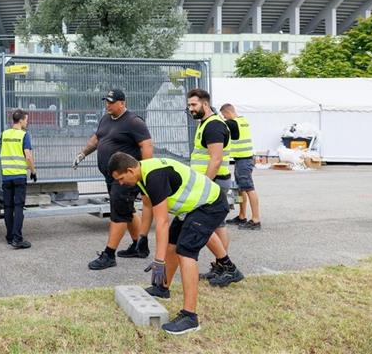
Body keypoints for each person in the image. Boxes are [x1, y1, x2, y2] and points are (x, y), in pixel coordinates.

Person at [109, 152, 243, 335]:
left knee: (185, 251)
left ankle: (190, 317)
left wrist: (158, 261)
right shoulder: (142, 174)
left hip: (210, 204)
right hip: (192, 207)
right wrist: (142, 237)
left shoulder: (154, 177)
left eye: (121, 178)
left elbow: (162, 222)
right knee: (172, 243)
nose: (121, 183)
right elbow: (148, 206)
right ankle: (162, 288)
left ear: (131, 170)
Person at [74, 89, 153, 270]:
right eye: (106, 101)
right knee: (127, 210)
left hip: (126, 177)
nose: (107, 105)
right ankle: (139, 246)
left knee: (118, 213)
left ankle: (109, 255)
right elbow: (97, 138)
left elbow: (146, 146)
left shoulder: (134, 122)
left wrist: (147, 173)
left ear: (122, 103)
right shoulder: (106, 118)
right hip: (112, 176)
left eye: (111, 102)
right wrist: (83, 153)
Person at [186, 88, 241, 285]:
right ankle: (221, 266)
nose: (190, 108)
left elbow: (215, 159)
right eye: (189, 105)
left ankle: (226, 267)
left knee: (204, 225)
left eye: (194, 105)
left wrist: (204, 185)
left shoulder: (213, 127)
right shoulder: (206, 124)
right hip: (213, 182)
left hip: (213, 183)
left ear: (205, 104)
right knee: (218, 224)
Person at [220, 103, 261, 230]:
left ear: (228, 112)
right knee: (241, 188)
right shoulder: (243, 120)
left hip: (244, 161)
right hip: (243, 160)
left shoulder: (232, 123)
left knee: (248, 188)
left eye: (224, 115)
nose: (225, 118)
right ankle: (242, 216)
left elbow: (218, 123)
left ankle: (256, 220)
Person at [0, 109, 37, 249]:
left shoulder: (4, 134)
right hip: (19, 176)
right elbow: (28, 156)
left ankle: (9, 236)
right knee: (18, 207)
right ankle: (17, 238)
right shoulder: (23, 135)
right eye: (26, 120)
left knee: (8, 207)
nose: (27, 122)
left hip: (6, 176)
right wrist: (33, 171)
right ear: (20, 120)